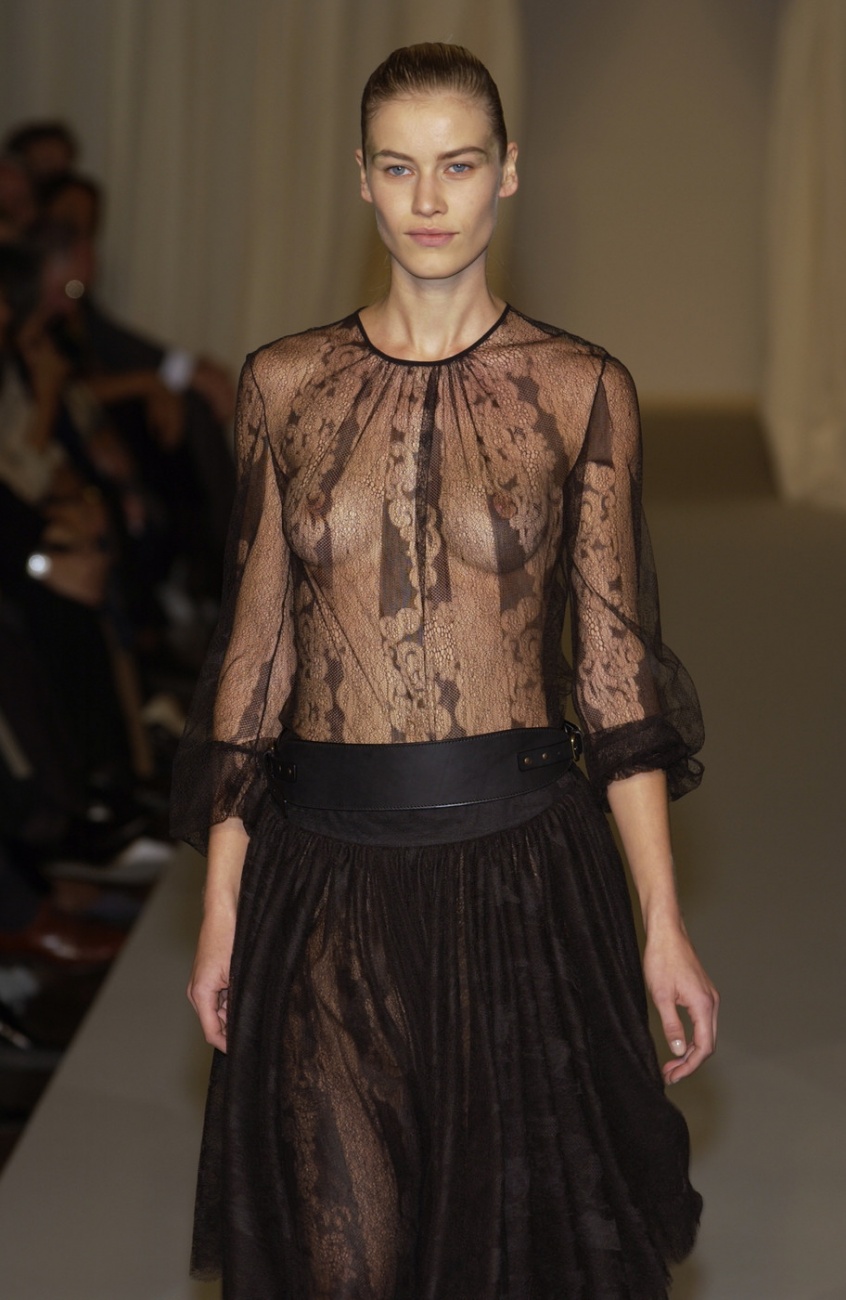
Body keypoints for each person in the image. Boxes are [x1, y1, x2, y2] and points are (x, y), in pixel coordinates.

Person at [172, 42, 719, 1299]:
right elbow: (253, 662)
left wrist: (662, 923)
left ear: (507, 173)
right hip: (325, 877)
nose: (429, 200)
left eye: (459, 165)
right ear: (361, 178)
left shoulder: (581, 388)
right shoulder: (283, 385)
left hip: (520, 874)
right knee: (342, 1258)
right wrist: (220, 908)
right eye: (400, 167)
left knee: (508, 1263)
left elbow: (616, 675)